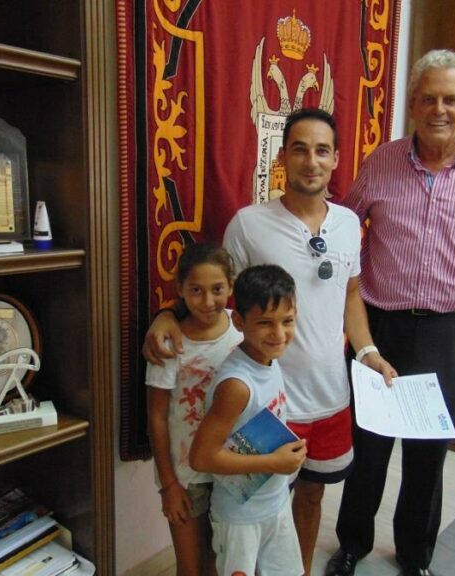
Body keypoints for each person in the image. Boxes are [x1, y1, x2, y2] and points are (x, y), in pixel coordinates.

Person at [144, 108, 396, 575]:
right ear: (282, 158)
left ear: (336, 159)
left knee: (310, 499)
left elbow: (351, 294)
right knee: (252, 510)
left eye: (322, 151)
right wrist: (167, 313)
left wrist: (368, 353)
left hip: (330, 395)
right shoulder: (248, 224)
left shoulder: (347, 224)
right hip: (269, 403)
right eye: (299, 149)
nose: (311, 161)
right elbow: (217, 293)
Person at [325, 49, 455, 576]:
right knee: (368, 447)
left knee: (429, 451)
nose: (438, 110)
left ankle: (415, 555)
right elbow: (343, 230)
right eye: (427, 99)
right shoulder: (382, 161)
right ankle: (352, 545)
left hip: (453, 332)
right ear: (413, 104)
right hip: (382, 325)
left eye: (450, 99)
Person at [189, 264, 307, 576]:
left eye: (287, 321)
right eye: (265, 323)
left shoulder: (269, 359)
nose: (279, 334)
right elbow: (201, 457)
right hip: (239, 519)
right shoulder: (237, 386)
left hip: (276, 503)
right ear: (239, 321)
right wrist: (274, 462)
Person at [146, 242, 243, 576]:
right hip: (185, 477)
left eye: (217, 289)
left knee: (219, 562)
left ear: (231, 286)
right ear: (180, 289)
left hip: (230, 468)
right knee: (190, 567)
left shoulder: (240, 329)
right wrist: (169, 485)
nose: (208, 301)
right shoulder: (169, 343)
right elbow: (157, 416)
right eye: (196, 290)